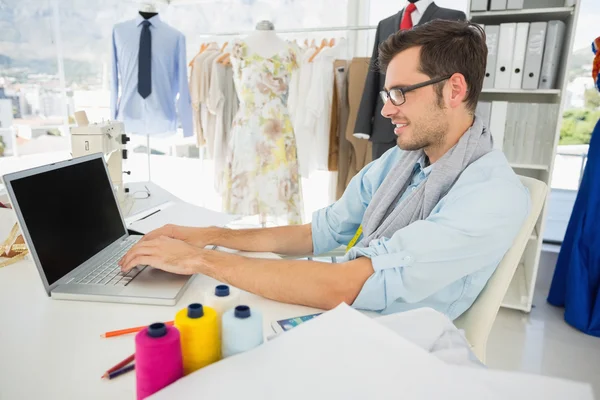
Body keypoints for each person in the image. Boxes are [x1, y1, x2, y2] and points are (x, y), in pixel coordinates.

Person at [120, 20, 530, 320]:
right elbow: (321, 231)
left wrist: (200, 260)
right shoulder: (401, 161)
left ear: (454, 90)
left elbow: (350, 283)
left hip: (403, 345)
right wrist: (211, 237)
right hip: (355, 319)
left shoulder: (491, 195)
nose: (385, 110)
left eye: (400, 94)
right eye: (388, 94)